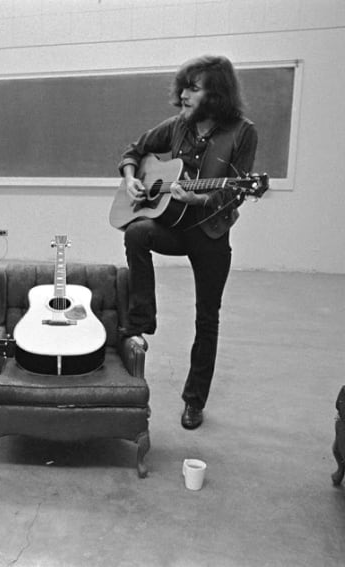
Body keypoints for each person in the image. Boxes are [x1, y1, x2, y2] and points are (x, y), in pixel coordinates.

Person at [117, 54, 258, 430]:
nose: (182, 94)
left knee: (206, 319)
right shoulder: (179, 125)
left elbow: (237, 192)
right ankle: (143, 317)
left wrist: (202, 199)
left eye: (192, 88)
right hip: (174, 227)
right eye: (182, 86)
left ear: (216, 94)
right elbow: (134, 150)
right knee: (136, 232)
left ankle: (194, 402)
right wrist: (133, 178)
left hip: (211, 234)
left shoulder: (243, 133)